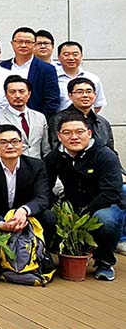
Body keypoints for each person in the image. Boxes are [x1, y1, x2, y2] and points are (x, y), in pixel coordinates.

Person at [44, 113, 125, 281]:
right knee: (46, 215)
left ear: (89, 133)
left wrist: (85, 214)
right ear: (59, 136)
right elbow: (45, 187)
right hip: (72, 204)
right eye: (67, 133)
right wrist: (55, 206)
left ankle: (104, 262)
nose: (74, 137)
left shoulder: (105, 155)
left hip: (105, 204)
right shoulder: (54, 157)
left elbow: (111, 191)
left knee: (105, 219)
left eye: (79, 132)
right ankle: (53, 257)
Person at [0, 124, 54, 237]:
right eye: (3, 142)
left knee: (48, 216)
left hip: (26, 214)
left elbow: (42, 198)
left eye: (15, 141)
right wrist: (1, 224)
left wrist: (24, 210)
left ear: (22, 144)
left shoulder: (36, 166)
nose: (10, 146)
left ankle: (44, 247)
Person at [0, 27, 60, 118]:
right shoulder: (2, 66)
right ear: (12, 44)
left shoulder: (46, 69)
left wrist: (39, 120)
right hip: (4, 119)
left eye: (28, 42)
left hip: (34, 121)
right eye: (19, 41)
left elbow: (52, 100)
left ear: (34, 44)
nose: (23, 45)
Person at [49, 77, 116, 154]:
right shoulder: (58, 119)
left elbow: (111, 150)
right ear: (70, 95)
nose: (85, 95)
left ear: (95, 95)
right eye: (79, 92)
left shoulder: (102, 122)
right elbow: (57, 149)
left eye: (89, 91)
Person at [0, 75, 51, 159]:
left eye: (21, 91)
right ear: (6, 95)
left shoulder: (40, 117)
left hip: (38, 164)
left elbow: (46, 148)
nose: (17, 96)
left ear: (29, 94)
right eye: (12, 92)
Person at [56, 41, 106, 112]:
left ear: (81, 56)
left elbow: (98, 104)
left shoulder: (93, 78)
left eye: (75, 54)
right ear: (59, 57)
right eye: (66, 54)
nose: (71, 58)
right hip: (60, 118)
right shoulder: (53, 78)